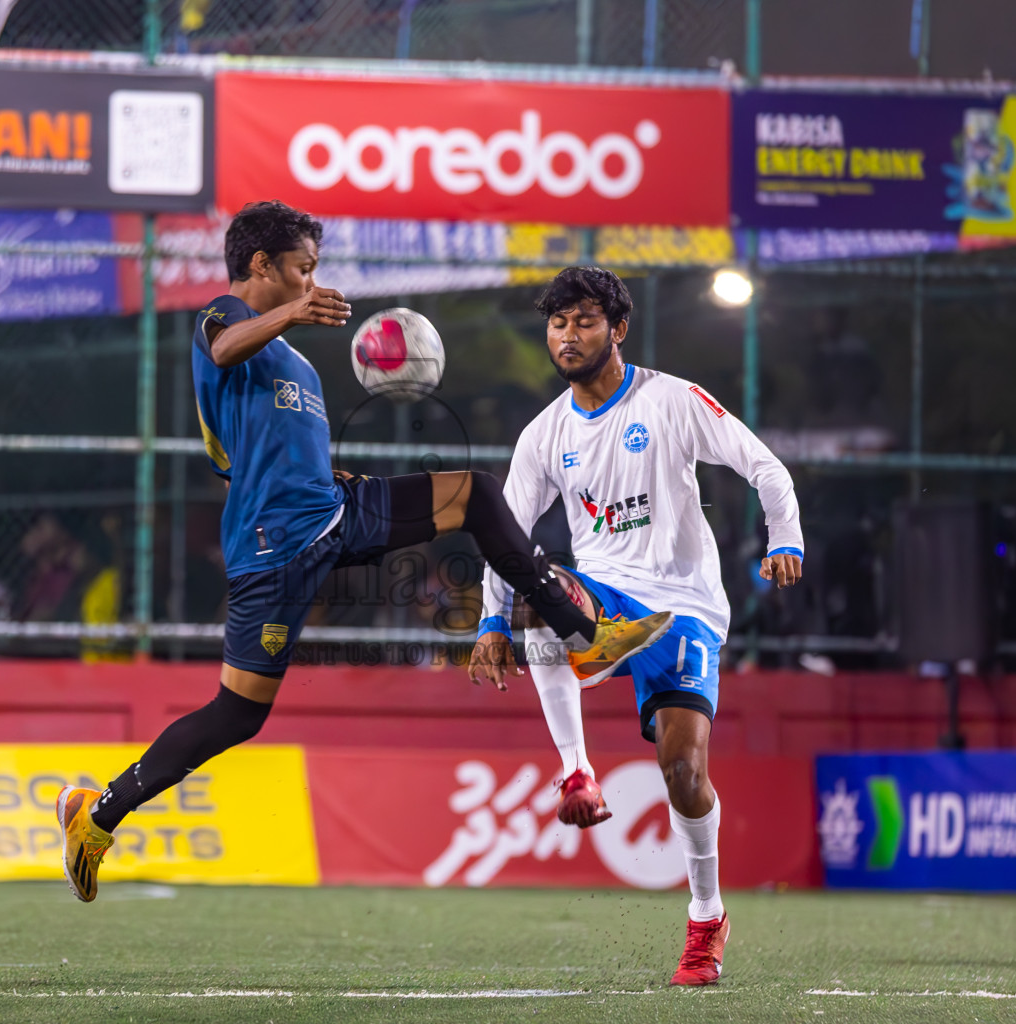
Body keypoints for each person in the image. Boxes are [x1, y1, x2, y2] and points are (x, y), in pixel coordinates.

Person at [56, 202, 671, 903]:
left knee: (474, 492)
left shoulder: (291, 362)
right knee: (238, 714)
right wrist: (289, 315)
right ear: (262, 267)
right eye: (302, 269)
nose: (312, 281)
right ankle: (96, 816)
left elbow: (273, 448)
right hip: (273, 545)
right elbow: (224, 354)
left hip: (331, 514)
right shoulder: (223, 321)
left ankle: (581, 634)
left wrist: (326, 475)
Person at [466, 266, 804, 988]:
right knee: (540, 585)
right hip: (604, 601)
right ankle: (576, 772)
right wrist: (491, 617)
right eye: (557, 323)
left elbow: (767, 469)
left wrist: (786, 539)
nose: (568, 335)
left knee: (684, 775)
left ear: (618, 329)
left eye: (584, 321)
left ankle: (707, 917)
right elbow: (504, 533)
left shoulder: (671, 399)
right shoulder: (545, 434)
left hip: (683, 610)